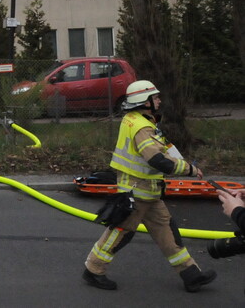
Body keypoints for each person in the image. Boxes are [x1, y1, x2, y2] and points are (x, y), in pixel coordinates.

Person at [82, 80, 217, 293]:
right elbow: (157, 160)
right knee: (120, 232)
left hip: (147, 192)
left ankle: (191, 274)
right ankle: (93, 269)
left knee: (168, 233)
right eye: (155, 97)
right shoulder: (142, 127)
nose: (159, 100)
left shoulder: (135, 119)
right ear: (144, 102)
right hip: (137, 192)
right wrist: (189, 170)